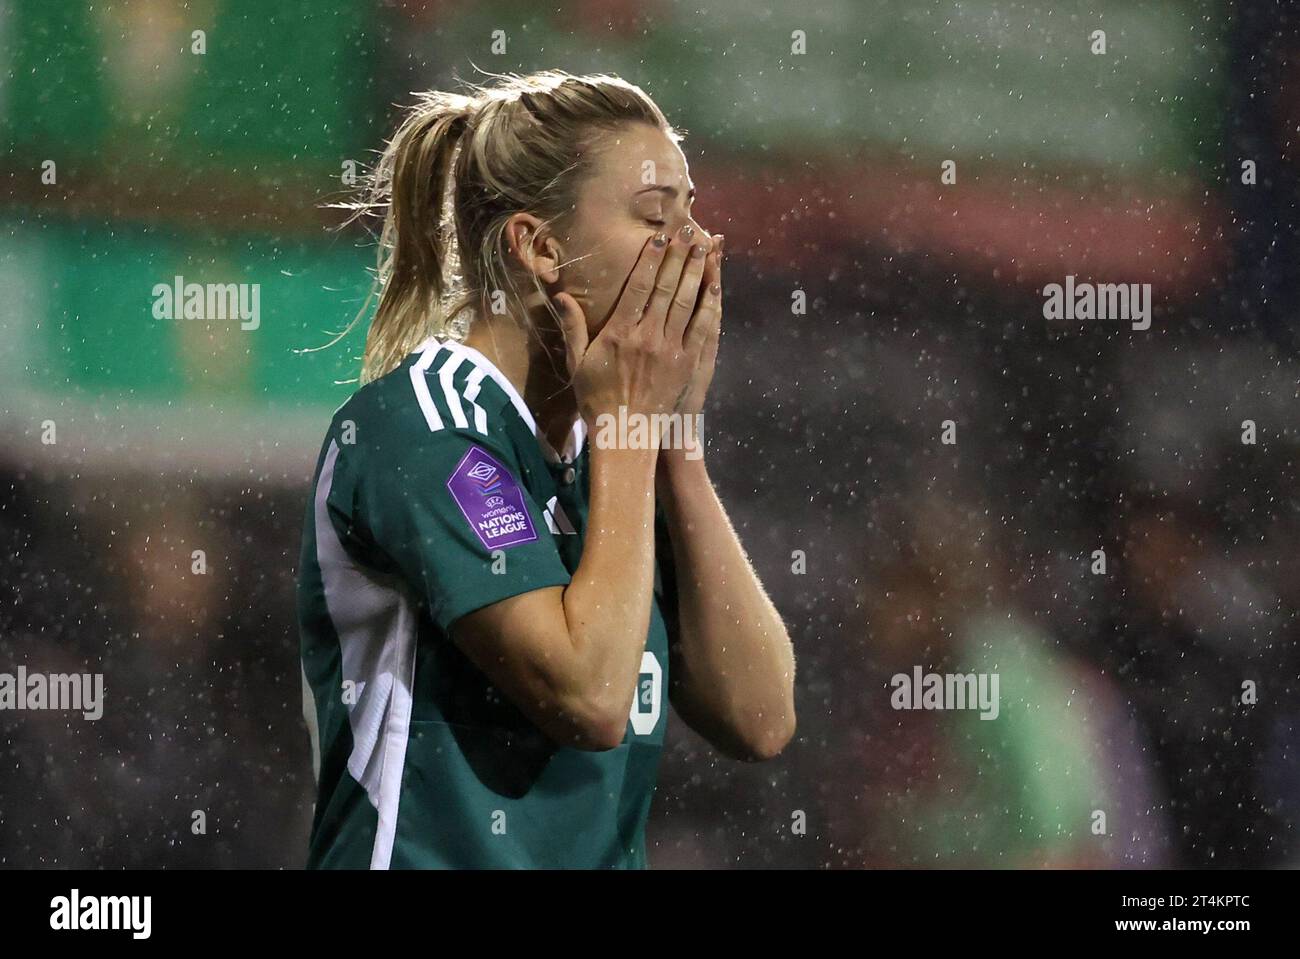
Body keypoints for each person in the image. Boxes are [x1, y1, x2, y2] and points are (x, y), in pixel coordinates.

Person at [297, 70, 796, 869]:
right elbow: (590, 697)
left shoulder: (615, 445)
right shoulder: (423, 428)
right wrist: (633, 431)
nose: (696, 246)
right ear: (540, 248)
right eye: (656, 216)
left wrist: (678, 450)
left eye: (693, 212)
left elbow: (760, 716)